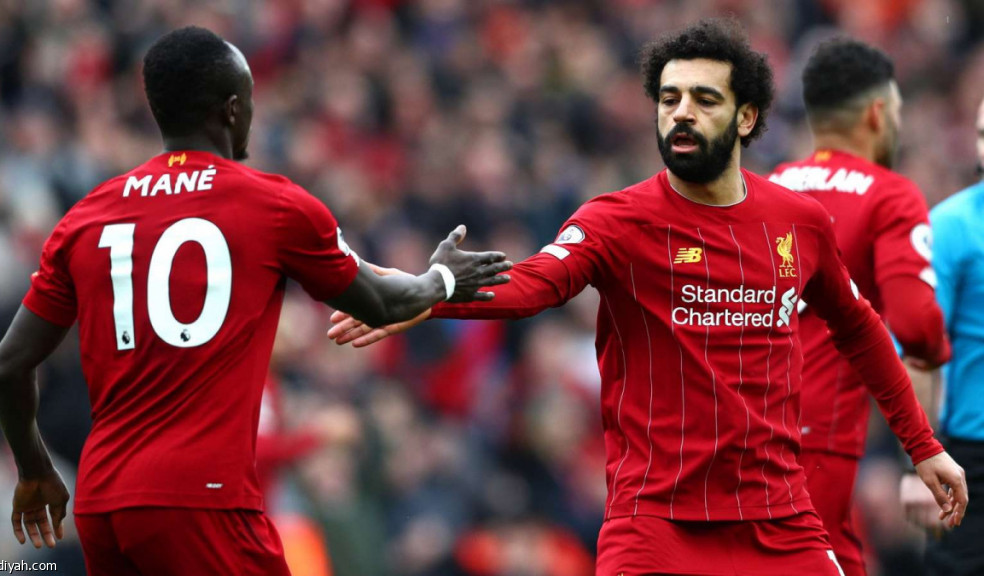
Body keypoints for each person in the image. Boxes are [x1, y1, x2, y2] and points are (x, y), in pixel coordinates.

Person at [327, 19, 967, 575]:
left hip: (778, 523)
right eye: (668, 98)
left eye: (704, 99)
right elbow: (532, 284)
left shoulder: (798, 222)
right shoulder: (617, 221)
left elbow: (860, 327)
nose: (681, 112)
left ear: (746, 117)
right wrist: (425, 293)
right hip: (658, 528)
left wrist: (924, 445)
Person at [0, 26, 511, 575]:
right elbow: (381, 303)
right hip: (202, 501)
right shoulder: (273, 205)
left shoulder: (86, 217)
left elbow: (6, 368)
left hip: (102, 503)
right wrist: (442, 279)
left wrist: (34, 469)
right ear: (233, 109)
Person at [765, 38, 951, 576]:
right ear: (876, 113)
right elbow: (916, 327)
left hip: (739, 430)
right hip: (814, 440)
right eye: (897, 111)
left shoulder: (766, 188)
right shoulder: (890, 195)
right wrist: (939, 346)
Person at [900, 96, 984, 576]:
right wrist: (921, 461)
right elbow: (918, 355)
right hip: (974, 459)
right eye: (981, 135)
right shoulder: (951, 227)